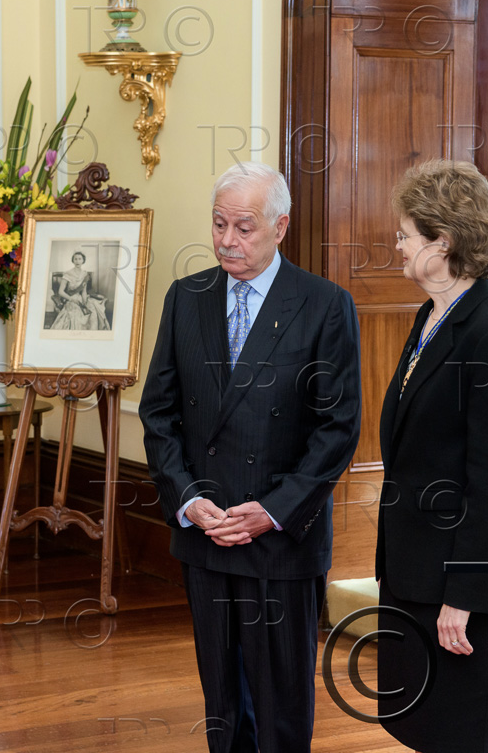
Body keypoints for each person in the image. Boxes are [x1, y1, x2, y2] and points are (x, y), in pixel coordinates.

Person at [139, 161, 361, 752]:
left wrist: (272, 510)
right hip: (206, 535)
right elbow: (158, 415)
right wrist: (188, 500)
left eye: (244, 227)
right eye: (219, 225)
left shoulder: (323, 305)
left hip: (280, 541)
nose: (227, 241)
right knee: (223, 704)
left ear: (280, 227)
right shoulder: (186, 298)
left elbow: (338, 430)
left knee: (281, 706)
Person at [375, 159, 488, 753]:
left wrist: (464, 596)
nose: (397, 246)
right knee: (420, 727)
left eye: (405, 236)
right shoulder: (433, 314)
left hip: (465, 580)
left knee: (461, 734)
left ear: (442, 242)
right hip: (417, 564)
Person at [50, 251, 110, 331]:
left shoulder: (84, 274)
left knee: (93, 309)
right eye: (75, 259)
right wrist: (71, 299)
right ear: (73, 261)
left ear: (83, 261)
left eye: (79, 259)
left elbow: (84, 291)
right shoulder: (68, 274)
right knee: (76, 314)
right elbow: (60, 292)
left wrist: (84, 301)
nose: (77, 261)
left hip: (81, 298)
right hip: (70, 299)